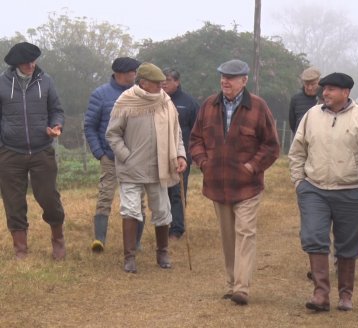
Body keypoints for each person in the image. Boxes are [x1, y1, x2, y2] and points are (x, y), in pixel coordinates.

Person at [289, 72, 358, 312]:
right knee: (313, 236)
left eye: (331, 89)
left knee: (348, 244)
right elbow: (297, 150)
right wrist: (300, 182)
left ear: (346, 92)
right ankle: (320, 294)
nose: (325, 93)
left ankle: (345, 294)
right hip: (314, 189)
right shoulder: (311, 115)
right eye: (324, 89)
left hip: (352, 192)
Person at [189, 59, 280, 305]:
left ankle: (241, 287)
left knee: (245, 233)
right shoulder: (208, 105)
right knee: (228, 236)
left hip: (248, 186)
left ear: (244, 80)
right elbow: (195, 139)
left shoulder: (259, 107)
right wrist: (203, 163)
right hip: (217, 184)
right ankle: (231, 283)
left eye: (231, 77)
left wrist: (252, 166)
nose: (225, 81)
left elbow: (271, 145)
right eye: (222, 76)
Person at [106, 62, 187, 273]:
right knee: (131, 211)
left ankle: (163, 252)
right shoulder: (125, 102)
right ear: (143, 83)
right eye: (157, 83)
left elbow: (176, 132)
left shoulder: (165, 102)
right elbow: (112, 134)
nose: (162, 87)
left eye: (163, 83)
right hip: (131, 168)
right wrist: (126, 156)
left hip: (159, 166)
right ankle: (129, 257)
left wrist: (179, 154)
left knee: (162, 210)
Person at [0, 42, 66, 260]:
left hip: (42, 150)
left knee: (49, 197)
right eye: (26, 61)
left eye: (33, 60)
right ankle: (21, 250)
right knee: (14, 201)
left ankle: (58, 240)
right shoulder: (2, 82)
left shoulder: (46, 81)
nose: (31, 64)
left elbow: (56, 110)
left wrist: (56, 126)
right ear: (16, 63)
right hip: (10, 152)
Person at [84, 57, 145, 253]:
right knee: (104, 197)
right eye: (132, 72)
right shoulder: (100, 95)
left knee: (138, 200)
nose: (135, 75)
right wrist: (99, 153)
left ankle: (136, 242)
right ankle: (99, 239)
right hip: (110, 157)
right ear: (120, 73)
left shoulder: (141, 94)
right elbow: (90, 126)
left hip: (136, 158)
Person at [161, 68, 199, 240]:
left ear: (177, 82)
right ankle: (163, 224)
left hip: (181, 155)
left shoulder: (189, 102)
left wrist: (192, 153)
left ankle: (177, 229)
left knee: (177, 192)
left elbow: (197, 129)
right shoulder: (157, 100)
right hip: (160, 154)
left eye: (168, 80)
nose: (164, 83)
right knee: (163, 192)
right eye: (162, 80)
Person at [288, 66, 321, 134]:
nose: (310, 88)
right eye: (307, 84)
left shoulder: (325, 98)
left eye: (313, 84)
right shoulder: (295, 99)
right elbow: (292, 123)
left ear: (319, 82)